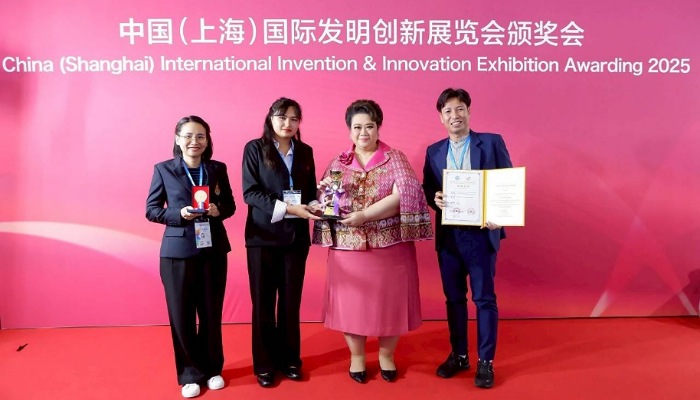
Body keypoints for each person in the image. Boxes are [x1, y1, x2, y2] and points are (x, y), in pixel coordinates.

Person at [313, 99, 432, 383]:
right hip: (347, 248)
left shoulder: (395, 158)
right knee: (351, 305)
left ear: (378, 127)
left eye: (369, 126)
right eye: (357, 127)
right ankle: (356, 356)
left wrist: (365, 215)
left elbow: (404, 195)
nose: (363, 132)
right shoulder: (339, 162)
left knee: (390, 304)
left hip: (389, 247)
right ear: (349, 130)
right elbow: (329, 203)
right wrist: (323, 198)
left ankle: (386, 355)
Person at [422, 88, 513, 389]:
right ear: (441, 118)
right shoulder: (434, 151)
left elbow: (508, 182)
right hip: (449, 237)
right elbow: (428, 188)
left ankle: (486, 362)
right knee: (454, 298)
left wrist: (500, 215)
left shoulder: (491, 142)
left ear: (469, 112)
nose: (455, 115)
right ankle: (459, 355)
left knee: (484, 299)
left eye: (459, 109)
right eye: (448, 111)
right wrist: (435, 198)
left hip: (481, 235)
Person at [146, 115, 236, 398]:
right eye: (188, 135)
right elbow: (152, 210)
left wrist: (218, 210)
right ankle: (189, 374)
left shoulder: (217, 169)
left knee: (211, 313)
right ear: (177, 139)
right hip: (177, 254)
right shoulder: (163, 169)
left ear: (207, 140)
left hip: (213, 250)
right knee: (182, 315)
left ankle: (212, 369)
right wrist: (179, 213)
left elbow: (230, 205)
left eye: (200, 136)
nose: (194, 141)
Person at [242, 97, 322, 388]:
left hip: (296, 238)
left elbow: (309, 191)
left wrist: (317, 204)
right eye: (282, 117)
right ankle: (264, 365)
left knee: (290, 302)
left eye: (294, 119)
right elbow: (251, 193)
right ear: (270, 118)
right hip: (262, 237)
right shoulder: (255, 148)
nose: (288, 123)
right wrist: (289, 208)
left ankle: (290, 360)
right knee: (263, 303)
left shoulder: (305, 151)